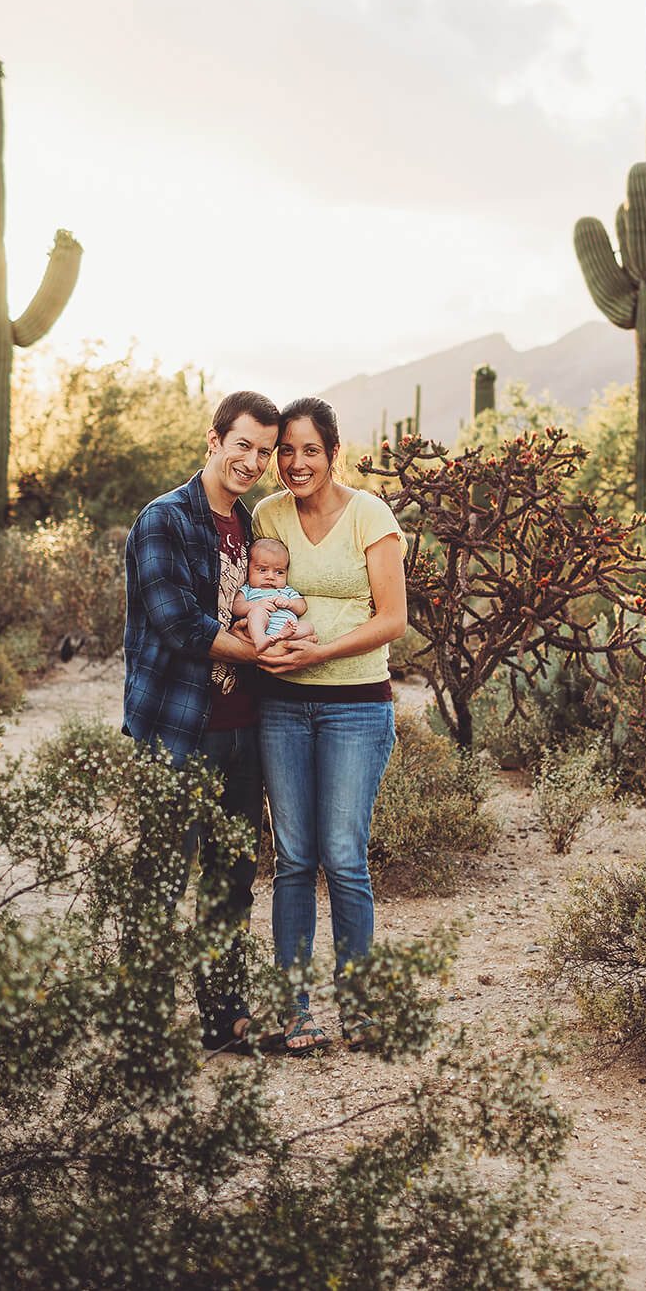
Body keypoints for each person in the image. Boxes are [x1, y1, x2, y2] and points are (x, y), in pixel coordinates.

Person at [122, 388, 282, 1053]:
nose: (251, 460)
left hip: (244, 730)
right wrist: (251, 647)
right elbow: (175, 619)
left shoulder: (250, 529)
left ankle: (224, 1018)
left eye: (264, 452)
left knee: (231, 881)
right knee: (160, 881)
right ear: (214, 441)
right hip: (177, 729)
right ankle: (142, 1030)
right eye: (242, 444)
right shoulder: (163, 519)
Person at [251, 396, 407, 1054]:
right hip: (282, 707)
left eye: (309, 449)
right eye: (285, 450)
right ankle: (295, 1013)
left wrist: (321, 651)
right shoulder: (268, 515)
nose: (294, 462)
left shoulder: (371, 514)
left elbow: (391, 617)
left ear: (332, 452)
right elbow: (251, 593)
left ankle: (363, 1011)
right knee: (293, 859)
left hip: (355, 705)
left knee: (343, 856)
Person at [231, 537, 315, 650]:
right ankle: (260, 640)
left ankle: (288, 637)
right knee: (257, 613)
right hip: (260, 629)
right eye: (262, 570)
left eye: (279, 572)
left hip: (287, 628)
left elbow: (302, 607)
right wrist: (256, 605)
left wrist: (289, 603)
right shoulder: (248, 589)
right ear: (248, 569)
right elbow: (236, 607)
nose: (270, 577)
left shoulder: (286, 590)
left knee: (308, 626)